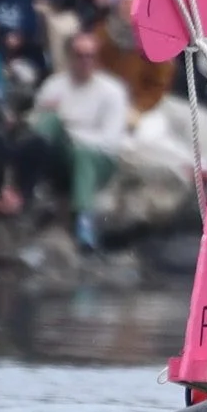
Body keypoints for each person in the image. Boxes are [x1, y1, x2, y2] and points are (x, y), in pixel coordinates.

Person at [9, 31, 131, 250]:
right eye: (80, 55)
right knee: (49, 119)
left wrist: (71, 132)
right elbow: (37, 123)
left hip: (98, 160)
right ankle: (24, 193)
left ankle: (84, 219)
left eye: (90, 55)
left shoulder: (112, 91)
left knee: (82, 152)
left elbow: (110, 141)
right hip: (60, 155)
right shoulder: (54, 85)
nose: (85, 61)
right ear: (70, 57)